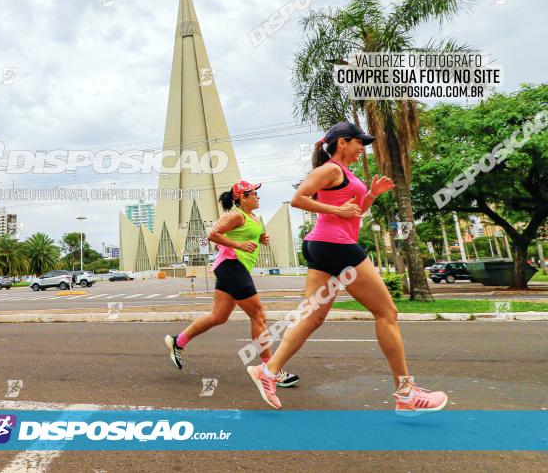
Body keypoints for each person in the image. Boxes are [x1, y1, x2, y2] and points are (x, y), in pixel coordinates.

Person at [247, 122, 447, 416]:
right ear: (342, 142)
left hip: (325, 245)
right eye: (358, 142)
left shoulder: (345, 174)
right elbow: (298, 199)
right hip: (335, 246)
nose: (361, 148)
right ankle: (405, 393)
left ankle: (270, 370)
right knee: (387, 312)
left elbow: (354, 214)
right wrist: (337, 210)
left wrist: (371, 196)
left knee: (312, 317)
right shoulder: (331, 169)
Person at [164, 181, 300, 388]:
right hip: (231, 265)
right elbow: (212, 234)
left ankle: (178, 341)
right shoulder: (235, 214)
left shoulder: (251, 217)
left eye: (256, 193)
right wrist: (239, 245)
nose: (258, 197)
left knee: (219, 316)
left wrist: (260, 238)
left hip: (234, 267)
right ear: (241, 198)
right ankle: (269, 370)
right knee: (258, 315)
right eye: (253, 194)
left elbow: (243, 235)